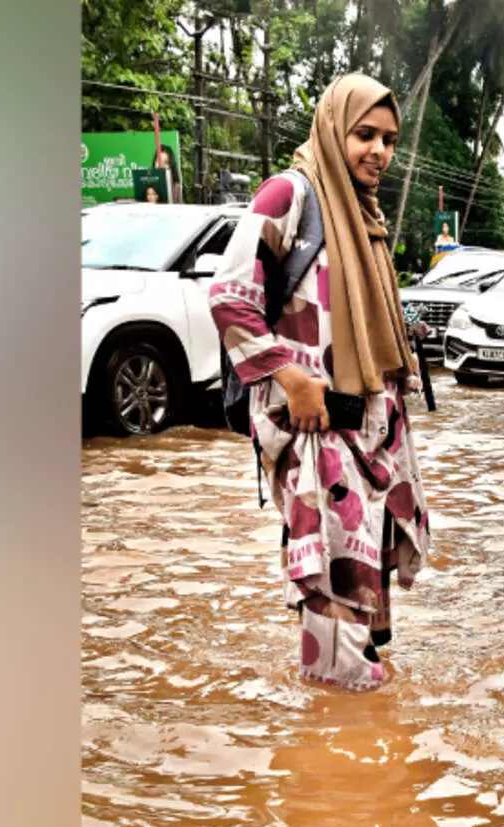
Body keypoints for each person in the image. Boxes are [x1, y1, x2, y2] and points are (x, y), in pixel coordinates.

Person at [207, 73, 431, 692]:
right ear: (335, 129)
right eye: (365, 135)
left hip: (373, 429)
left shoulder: (365, 215)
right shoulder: (289, 195)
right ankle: (339, 745)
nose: (379, 152)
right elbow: (231, 298)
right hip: (316, 427)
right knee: (332, 582)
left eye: (388, 139)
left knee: (367, 585)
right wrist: (292, 377)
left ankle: (360, 745)